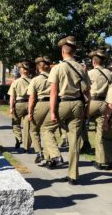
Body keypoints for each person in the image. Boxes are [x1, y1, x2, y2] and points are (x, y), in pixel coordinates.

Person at [49, 36, 91, 185]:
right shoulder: (82, 68)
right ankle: (73, 175)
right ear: (74, 51)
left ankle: (54, 155)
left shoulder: (58, 68)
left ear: (62, 51)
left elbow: (53, 92)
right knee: (74, 140)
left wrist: (53, 112)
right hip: (78, 104)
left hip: (63, 103)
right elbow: (88, 92)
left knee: (46, 128)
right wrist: (87, 109)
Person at [88, 49, 112, 170]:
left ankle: (81, 145)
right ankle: (102, 160)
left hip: (92, 102)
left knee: (77, 123)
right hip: (105, 103)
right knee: (101, 132)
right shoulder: (109, 73)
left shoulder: (90, 73)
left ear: (94, 61)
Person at [27, 56, 51, 164]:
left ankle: (39, 152)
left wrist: (29, 112)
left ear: (38, 68)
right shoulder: (54, 79)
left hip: (40, 104)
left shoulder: (35, 80)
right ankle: (49, 155)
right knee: (48, 131)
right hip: (52, 104)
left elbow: (32, 98)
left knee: (33, 129)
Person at [8, 61, 32, 152]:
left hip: (19, 103)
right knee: (27, 127)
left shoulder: (16, 82)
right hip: (29, 103)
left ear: (21, 71)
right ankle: (26, 147)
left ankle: (19, 138)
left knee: (15, 123)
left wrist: (11, 107)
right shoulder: (32, 81)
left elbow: (12, 96)